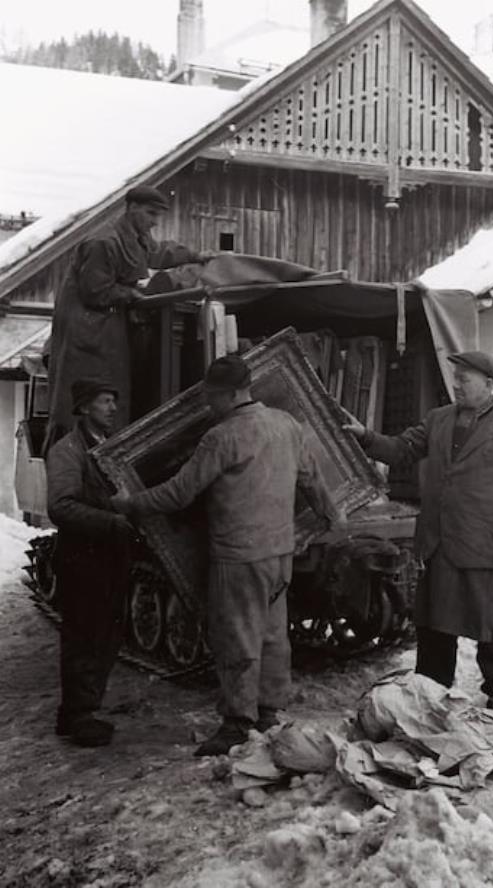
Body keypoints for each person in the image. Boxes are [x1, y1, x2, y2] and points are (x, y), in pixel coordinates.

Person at [112, 355, 340, 756]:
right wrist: (331, 516)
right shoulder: (287, 424)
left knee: (236, 637)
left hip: (239, 555)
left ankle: (238, 722)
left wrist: (128, 504)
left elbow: (178, 493)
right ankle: (268, 711)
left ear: (233, 393)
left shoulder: (222, 437)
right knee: (272, 634)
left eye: (213, 397)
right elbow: (312, 479)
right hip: (279, 553)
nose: (209, 405)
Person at [344, 350, 493, 708]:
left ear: (489, 385)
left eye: (464, 379)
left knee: (490, 624)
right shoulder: (438, 419)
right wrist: (364, 435)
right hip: (438, 543)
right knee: (435, 623)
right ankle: (431, 694)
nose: (456, 385)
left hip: (485, 545)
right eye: (455, 378)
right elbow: (401, 450)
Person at [45, 185, 213, 452]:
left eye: (158, 216)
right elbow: (95, 292)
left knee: (110, 392)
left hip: (107, 323)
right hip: (86, 328)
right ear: (132, 208)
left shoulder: (134, 235)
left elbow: (158, 253)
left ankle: (106, 451)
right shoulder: (104, 242)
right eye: (150, 214)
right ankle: (76, 453)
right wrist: (133, 294)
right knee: (87, 394)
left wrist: (195, 255)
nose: (154, 222)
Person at [47, 379, 134, 747]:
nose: (113, 407)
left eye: (114, 400)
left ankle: (76, 712)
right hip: (83, 556)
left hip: (107, 554)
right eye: (104, 401)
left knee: (104, 634)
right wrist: (113, 520)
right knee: (85, 635)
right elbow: (61, 507)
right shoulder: (68, 451)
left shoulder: (107, 447)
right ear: (84, 408)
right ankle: (80, 715)